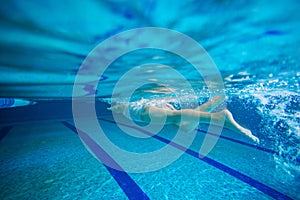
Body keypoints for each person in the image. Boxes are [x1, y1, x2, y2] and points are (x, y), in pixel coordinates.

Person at [108, 96, 259, 143]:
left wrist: (113, 108)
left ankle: (218, 117)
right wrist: (163, 104)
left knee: (176, 116)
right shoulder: (131, 102)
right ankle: (212, 104)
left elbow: (119, 107)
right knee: (184, 126)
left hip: (143, 112)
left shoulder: (121, 104)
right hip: (147, 109)